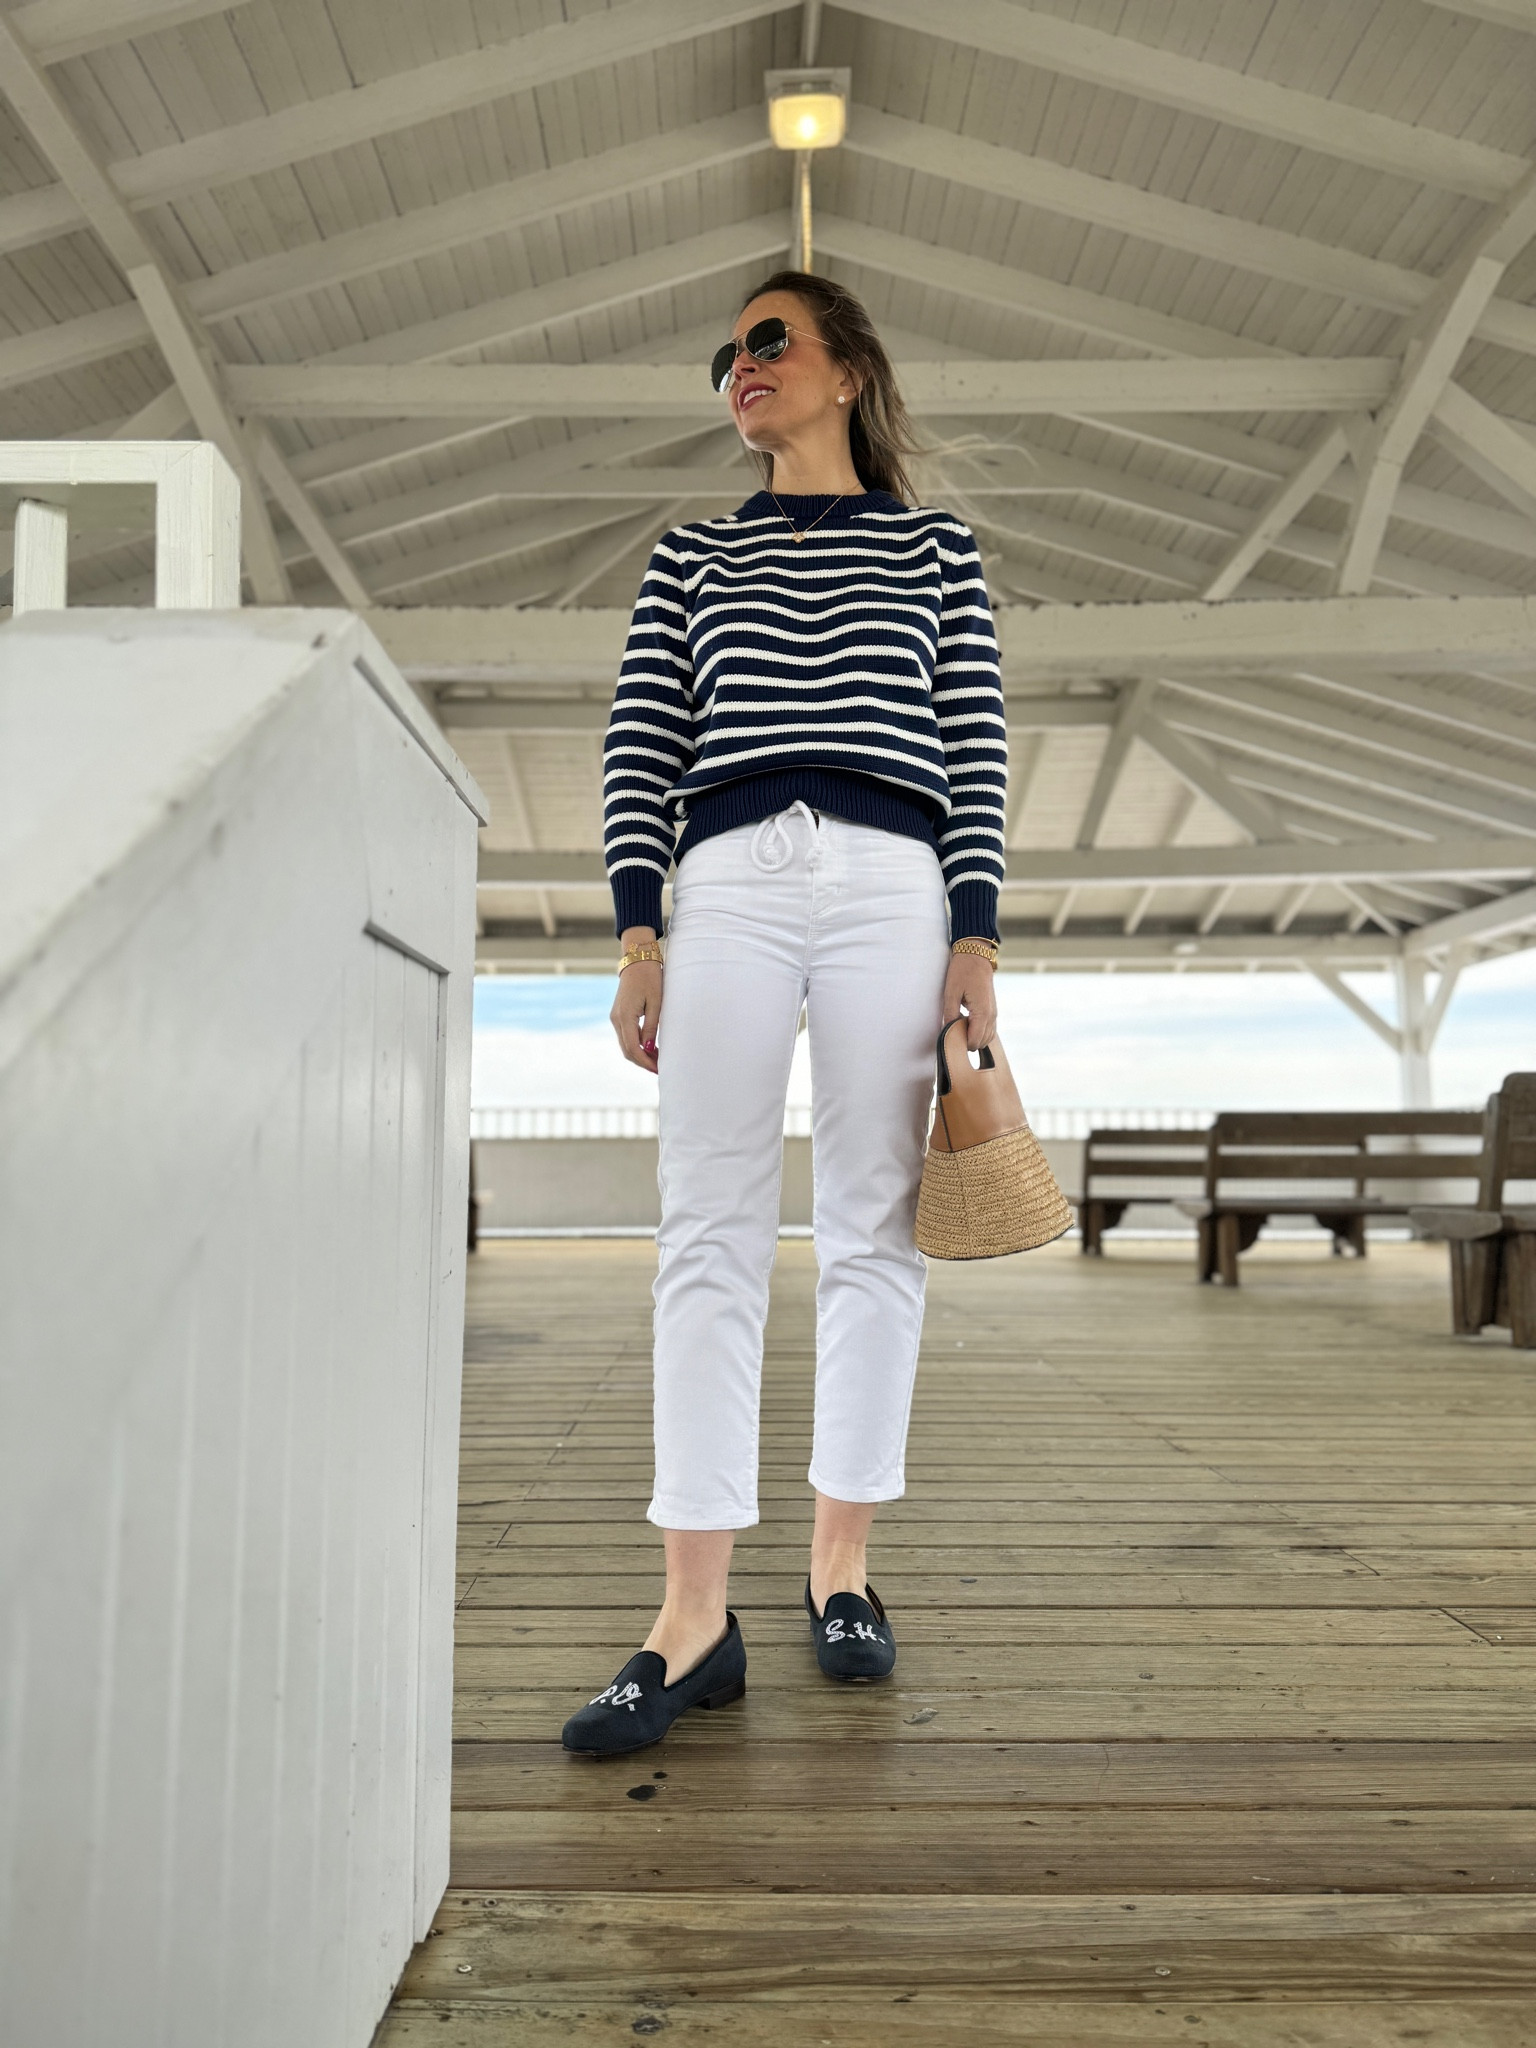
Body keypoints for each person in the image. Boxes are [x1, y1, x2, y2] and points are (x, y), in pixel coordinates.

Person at [560, 270, 1006, 1757]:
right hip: (729, 882)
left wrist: (976, 940)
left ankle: (841, 1571)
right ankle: (692, 1614)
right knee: (706, 1229)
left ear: (848, 370)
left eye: (767, 342)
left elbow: (975, 746)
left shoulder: (937, 549)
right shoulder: (689, 556)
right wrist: (640, 929)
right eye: (725, 355)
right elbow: (641, 741)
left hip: (894, 878)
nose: (739, 368)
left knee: (876, 1231)